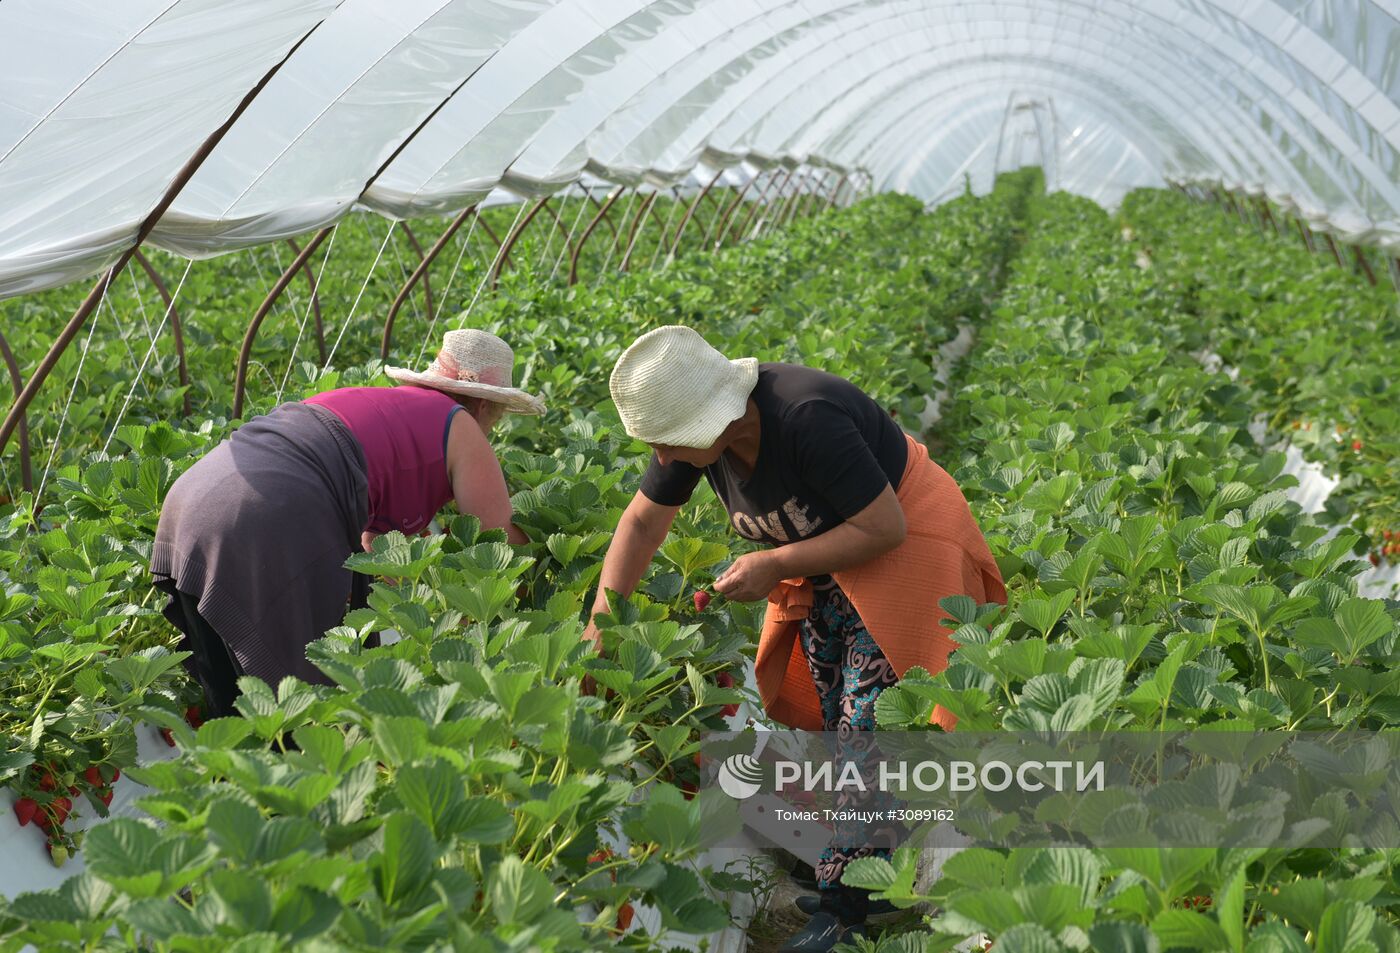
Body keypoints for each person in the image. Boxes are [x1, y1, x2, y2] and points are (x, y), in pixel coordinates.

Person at [586, 325, 1005, 953]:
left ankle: (848, 909)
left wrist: (773, 564)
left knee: (870, 732)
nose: (663, 459)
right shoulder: (692, 437)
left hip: (908, 546)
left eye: (667, 444)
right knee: (838, 720)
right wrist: (601, 620)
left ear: (713, 423)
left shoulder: (807, 418)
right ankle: (866, 875)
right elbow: (643, 521)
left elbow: (884, 527)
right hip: (831, 560)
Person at [151, 329, 543, 718]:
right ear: (485, 407)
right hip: (267, 514)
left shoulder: (379, 408)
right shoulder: (462, 427)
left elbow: (377, 556)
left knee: (232, 704)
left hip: (190, 501)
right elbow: (501, 549)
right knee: (302, 706)